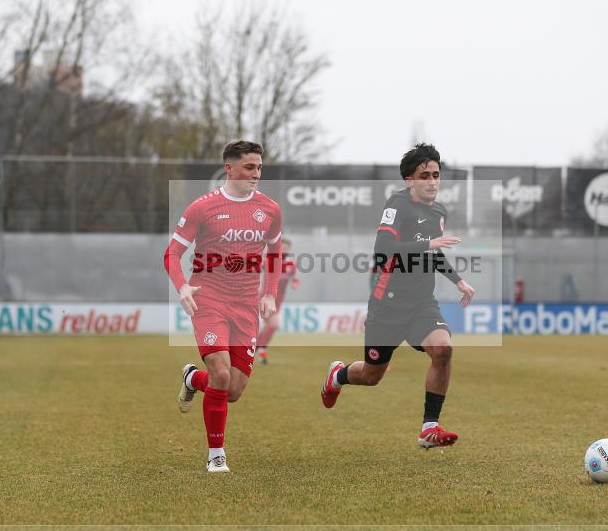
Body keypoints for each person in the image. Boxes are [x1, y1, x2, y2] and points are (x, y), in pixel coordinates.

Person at [319, 143, 476, 448]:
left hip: (421, 303)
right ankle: (337, 376)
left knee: (443, 350)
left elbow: (431, 251)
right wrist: (429, 245)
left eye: (436, 174)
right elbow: (384, 250)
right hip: (387, 305)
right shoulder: (397, 205)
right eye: (425, 175)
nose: (432, 181)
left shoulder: (439, 211)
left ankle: (429, 428)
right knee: (371, 375)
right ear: (409, 180)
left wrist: (458, 281)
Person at [163, 140, 283, 472]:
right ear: (228, 168)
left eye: (259, 167)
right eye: (249, 166)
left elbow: (274, 253)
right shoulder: (202, 207)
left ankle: (192, 379)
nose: (256, 173)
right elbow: (172, 253)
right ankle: (216, 454)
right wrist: (183, 285)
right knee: (221, 372)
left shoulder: (270, 209)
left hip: (245, 305)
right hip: (209, 299)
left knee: (232, 390)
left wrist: (269, 292)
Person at [257, 237, 299, 365]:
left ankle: (255, 348)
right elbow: (255, 267)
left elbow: (296, 279)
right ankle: (260, 350)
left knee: (267, 326)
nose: (284, 250)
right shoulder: (269, 261)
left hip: (278, 301)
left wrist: (295, 284)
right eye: (282, 248)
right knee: (274, 324)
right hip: (265, 297)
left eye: (287, 248)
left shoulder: (292, 265)